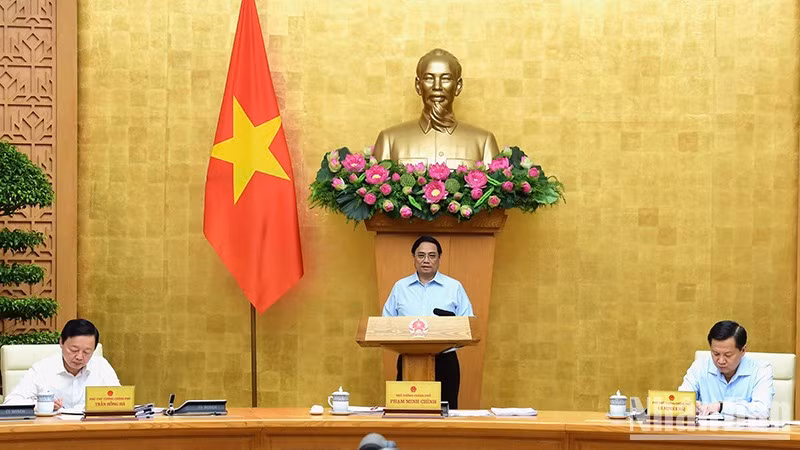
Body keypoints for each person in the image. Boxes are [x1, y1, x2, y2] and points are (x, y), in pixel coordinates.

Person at [381, 235, 473, 409]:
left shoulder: (454, 287)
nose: (426, 260)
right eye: (421, 255)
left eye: (432, 256)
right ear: (414, 258)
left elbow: (469, 325)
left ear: (439, 258)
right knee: (407, 413)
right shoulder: (400, 287)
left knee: (445, 414)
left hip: (445, 361)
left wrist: (451, 331)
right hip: (408, 360)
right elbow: (386, 324)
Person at [372, 48, 499, 168]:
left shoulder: (483, 142)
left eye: (446, 79)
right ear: (418, 85)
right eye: (429, 78)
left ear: (458, 86)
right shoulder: (389, 140)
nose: (437, 86)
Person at [3, 318, 120, 410]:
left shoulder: (101, 366)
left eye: (87, 352)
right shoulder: (42, 369)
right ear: (61, 342)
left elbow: (119, 401)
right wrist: (42, 405)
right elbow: (11, 402)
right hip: (52, 429)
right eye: (74, 350)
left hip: (91, 429)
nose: (79, 357)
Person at [678, 320, 774, 418]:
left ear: (743, 350)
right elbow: (681, 400)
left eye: (728, 355)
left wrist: (721, 407)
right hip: (707, 427)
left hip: (743, 428)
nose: (721, 361)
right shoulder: (700, 367)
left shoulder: (761, 370)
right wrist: (690, 406)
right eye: (716, 354)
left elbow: (762, 410)